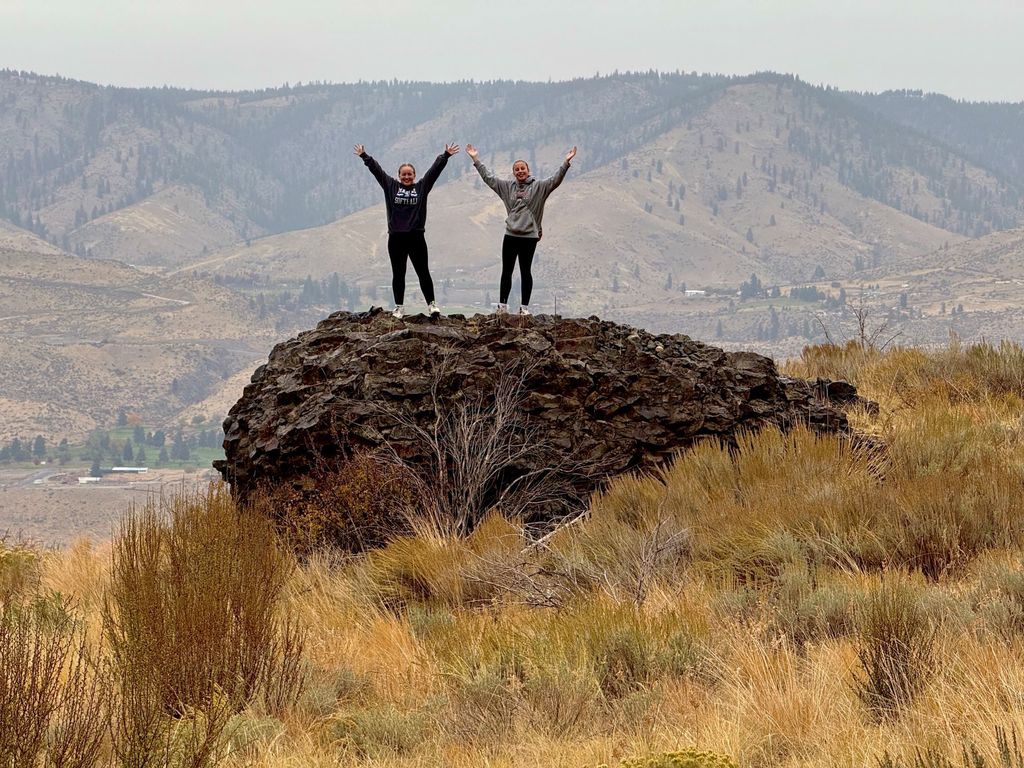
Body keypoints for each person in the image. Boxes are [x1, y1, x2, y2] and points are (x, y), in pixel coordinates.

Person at [466, 144, 576, 315]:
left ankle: (524, 308)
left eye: (522, 168)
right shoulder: (507, 187)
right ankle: (502, 307)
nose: (520, 171)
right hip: (510, 235)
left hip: (529, 237)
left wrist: (566, 163)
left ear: (528, 169)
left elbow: (555, 179)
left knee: (526, 271)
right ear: (514, 172)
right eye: (516, 169)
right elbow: (489, 178)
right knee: (506, 271)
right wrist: (475, 159)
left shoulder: (539, 187)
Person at [354, 143, 460, 318]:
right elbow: (377, 171)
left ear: (414, 175)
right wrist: (365, 156)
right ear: (399, 176)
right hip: (396, 238)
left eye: (409, 174)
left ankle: (432, 305)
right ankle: (399, 307)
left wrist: (445, 156)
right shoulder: (391, 186)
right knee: (398, 273)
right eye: (404, 174)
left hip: (416, 237)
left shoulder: (421, 187)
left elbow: (434, 172)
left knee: (423, 272)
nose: (407, 177)